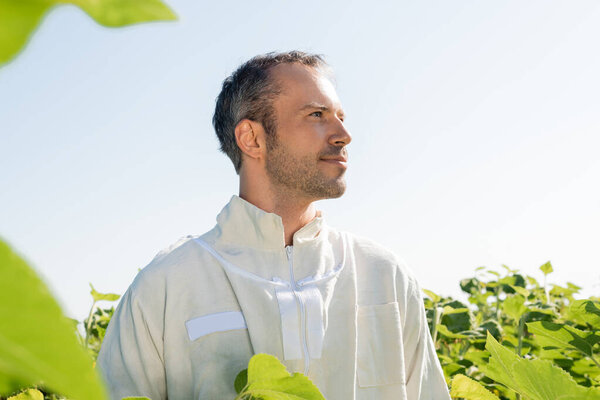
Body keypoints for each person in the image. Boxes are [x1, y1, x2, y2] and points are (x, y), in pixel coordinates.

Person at [97, 51, 451, 400]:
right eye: (317, 115)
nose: (344, 134)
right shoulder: (166, 286)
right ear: (252, 139)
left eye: (341, 117)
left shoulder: (384, 276)